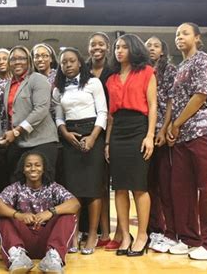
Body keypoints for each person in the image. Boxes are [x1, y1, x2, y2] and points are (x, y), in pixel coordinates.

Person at [166, 22, 207, 260]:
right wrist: (172, 128)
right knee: (183, 191)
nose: (179, 37)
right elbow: (175, 100)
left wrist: (177, 123)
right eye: (177, 34)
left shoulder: (203, 60)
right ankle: (191, 239)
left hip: (205, 131)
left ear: (197, 37)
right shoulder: (181, 66)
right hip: (183, 136)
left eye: (185, 33)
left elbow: (201, 95)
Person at [105, 34, 157, 257]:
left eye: (124, 47)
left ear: (134, 49)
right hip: (117, 131)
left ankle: (143, 234)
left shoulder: (146, 72)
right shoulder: (111, 79)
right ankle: (126, 235)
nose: (119, 50)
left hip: (138, 128)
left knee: (139, 186)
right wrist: (107, 142)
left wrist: (149, 135)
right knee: (119, 186)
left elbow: (153, 105)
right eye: (117, 47)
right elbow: (110, 115)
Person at [53, 47, 108, 255]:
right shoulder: (58, 88)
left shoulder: (93, 82)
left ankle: (93, 233)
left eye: (72, 61)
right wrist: (65, 133)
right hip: (70, 137)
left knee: (93, 187)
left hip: (92, 133)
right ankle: (74, 233)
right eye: (64, 62)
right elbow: (58, 116)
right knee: (73, 189)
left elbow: (103, 112)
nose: (68, 65)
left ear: (79, 63)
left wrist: (93, 137)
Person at [0, 151, 80, 274]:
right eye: (28, 165)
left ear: (44, 168)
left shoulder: (53, 187)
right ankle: (17, 258)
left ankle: (53, 257)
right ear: (23, 169)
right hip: (22, 242)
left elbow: (75, 203)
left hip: (48, 241)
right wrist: (19, 215)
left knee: (67, 214)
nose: (33, 168)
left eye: (37, 165)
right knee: (4, 216)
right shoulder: (16, 187)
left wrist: (51, 212)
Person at [3, 45, 59, 182]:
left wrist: (16, 131)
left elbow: (41, 109)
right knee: (16, 183)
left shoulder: (38, 79)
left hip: (42, 141)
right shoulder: (8, 85)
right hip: (19, 143)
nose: (17, 62)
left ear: (29, 61)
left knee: (43, 185)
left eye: (21, 58)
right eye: (13, 59)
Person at [144, 36, 178, 253]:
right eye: (148, 46)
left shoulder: (169, 71)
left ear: (163, 51)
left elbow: (170, 103)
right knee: (148, 186)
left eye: (156, 45)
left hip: (161, 135)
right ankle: (152, 229)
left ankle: (169, 231)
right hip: (144, 134)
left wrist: (164, 129)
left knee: (165, 185)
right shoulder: (141, 72)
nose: (152, 49)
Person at [85, 32, 116, 249]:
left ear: (108, 47)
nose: (97, 47)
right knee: (90, 184)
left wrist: (107, 140)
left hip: (108, 129)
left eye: (101, 44)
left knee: (103, 185)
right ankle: (89, 230)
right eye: (93, 44)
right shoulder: (82, 70)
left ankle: (106, 232)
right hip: (86, 129)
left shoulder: (114, 70)